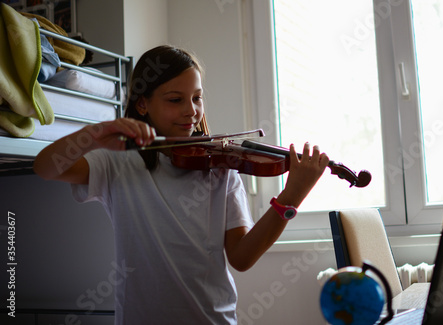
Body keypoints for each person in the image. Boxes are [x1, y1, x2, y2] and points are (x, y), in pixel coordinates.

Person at [33, 45, 329, 324]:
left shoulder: (220, 167)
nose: (191, 111)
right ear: (143, 104)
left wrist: (292, 195)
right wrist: (97, 133)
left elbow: (242, 257)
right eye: (176, 100)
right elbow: (45, 167)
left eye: (197, 98)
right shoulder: (118, 163)